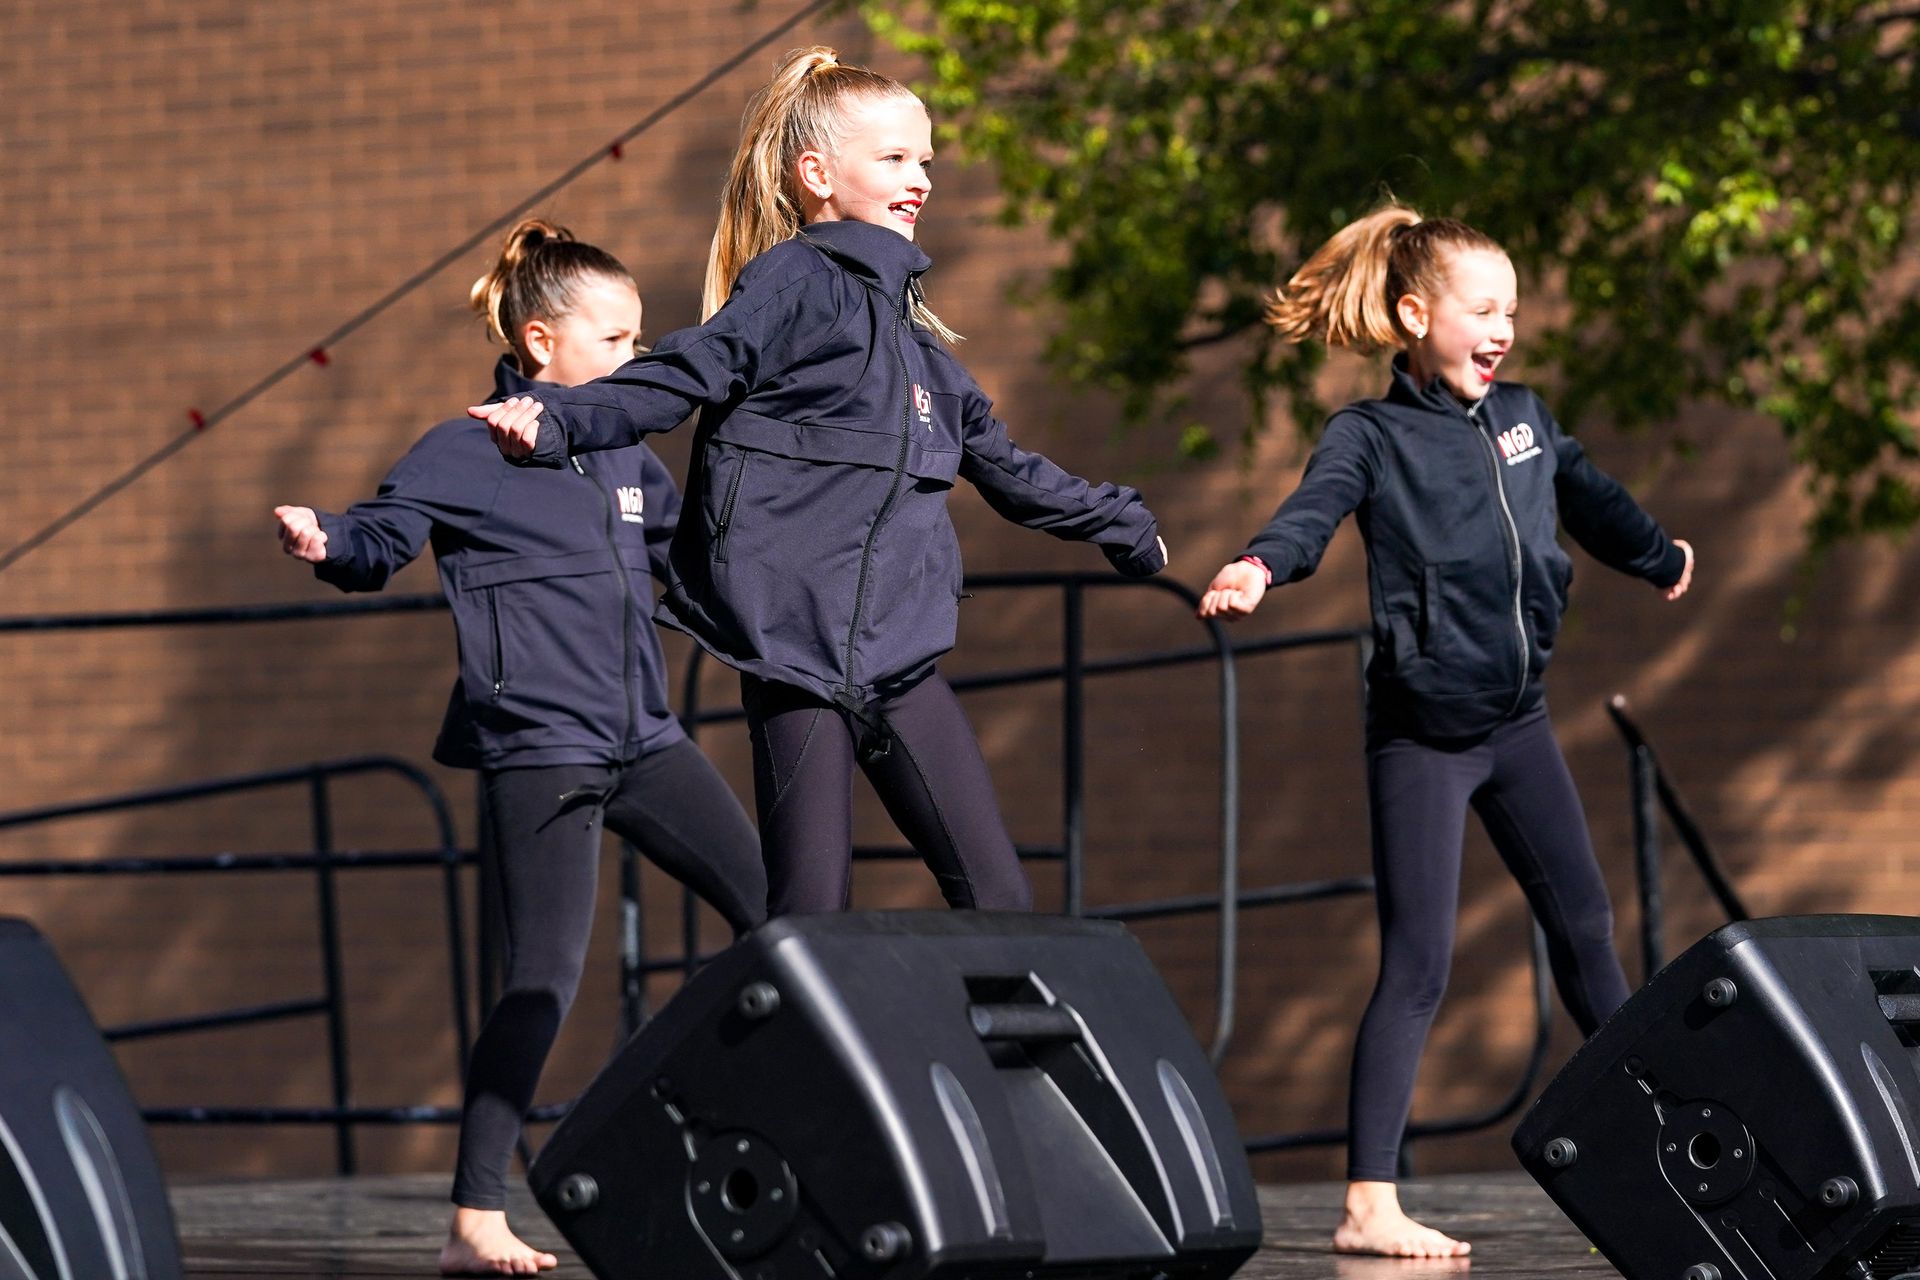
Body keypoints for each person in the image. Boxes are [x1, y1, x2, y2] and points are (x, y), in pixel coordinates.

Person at [472, 47, 1168, 919]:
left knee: (999, 899)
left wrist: (1126, 524)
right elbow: (687, 370)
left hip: (900, 661)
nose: (919, 178)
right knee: (811, 911)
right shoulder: (796, 284)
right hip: (796, 659)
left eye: (924, 160)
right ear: (817, 175)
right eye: (894, 159)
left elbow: (1012, 472)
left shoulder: (922, 356)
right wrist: (561, 418)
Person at [1197, 202, 1695, 1259]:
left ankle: (1662, 1141)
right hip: (1423, 734)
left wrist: (1660, 555)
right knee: (1419, 962)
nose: (1503, 326)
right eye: (1482, 308)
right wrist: (1257, 563)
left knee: (1588, 927)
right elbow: (1311, 510)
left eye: (1511, 308)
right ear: (1416, 315)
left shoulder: (1523, 415)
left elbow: (1593, 497)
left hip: (1517, 722)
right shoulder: (1370, 436)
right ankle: (1369, 1198)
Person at [274, 219, 766, 1276]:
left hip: (647, 738)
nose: (641, 359)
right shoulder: (468, 446)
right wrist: (326, 539)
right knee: (540, 976)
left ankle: (689, 1107)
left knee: (786, 920)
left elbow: (692, 580)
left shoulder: (625, 452)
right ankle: (473, 1215)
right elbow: (379, 535)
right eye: (620, 340)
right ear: (543, 344)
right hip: (539, 748)